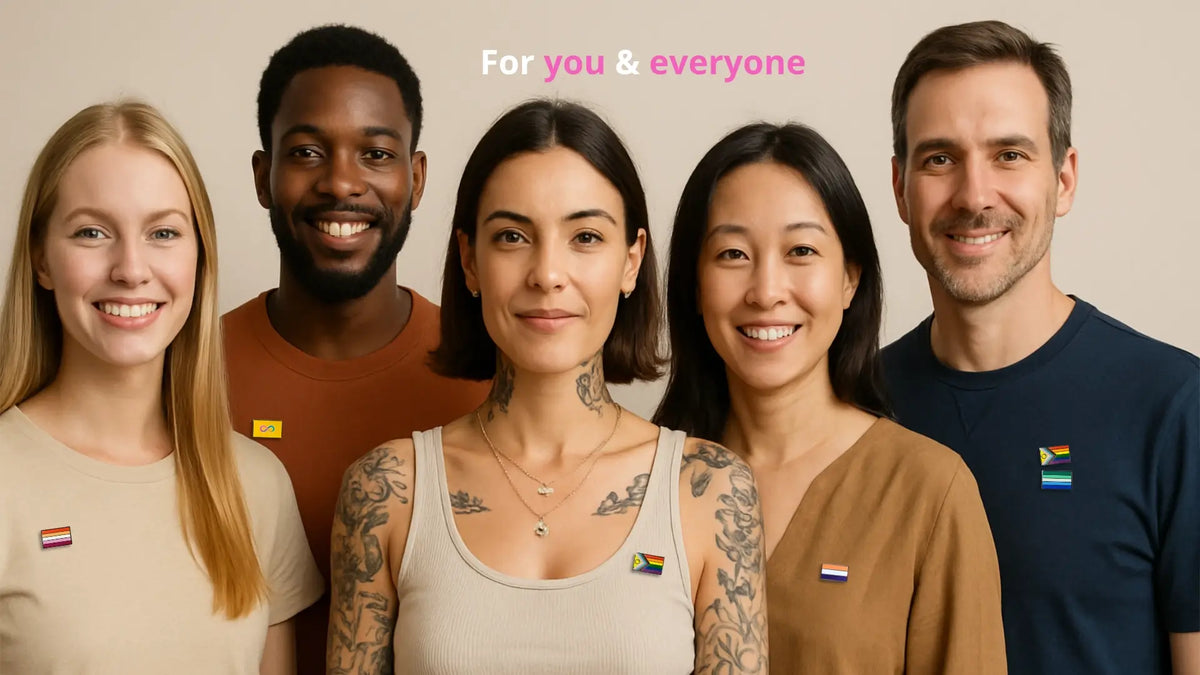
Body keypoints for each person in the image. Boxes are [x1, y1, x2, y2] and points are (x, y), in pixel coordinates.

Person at [327, 99, 768, 674]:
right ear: (470, 260)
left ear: (631, 261)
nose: (547, 274)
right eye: (513, 236)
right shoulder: (385, 492)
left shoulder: (711, 491)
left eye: (585, 237)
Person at [882, 20, 1200, 674]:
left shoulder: (1175, 407)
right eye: (940, 158)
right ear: (900, 189)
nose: (974, 196)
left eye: (1010, 155)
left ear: (1063, 179)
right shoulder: (855, 406)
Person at [654, 122, 1005, 672]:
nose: (767, 290)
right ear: (694, 285)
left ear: (849, 279)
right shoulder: (642, 485)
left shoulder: (927, 491)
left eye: (800, 250)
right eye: (732, 254)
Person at [0, 101, 322, 674]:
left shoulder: (256, 485)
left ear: (199, 258)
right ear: (41, 259)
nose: (130, 268)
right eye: (91, 232)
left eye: (163, 232)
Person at [222, 25, 489, 669]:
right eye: (308, 152)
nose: (342, 184)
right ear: (263, 176)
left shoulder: (486, 377)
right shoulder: (183, 372)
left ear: (417, 178)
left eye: (375, 153)